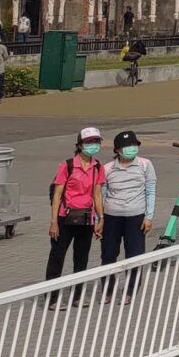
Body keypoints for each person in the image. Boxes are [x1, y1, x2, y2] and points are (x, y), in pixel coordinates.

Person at [46, 128, 106, 308]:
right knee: (57, 257)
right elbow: (57, 194)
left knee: (81, 258)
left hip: (86, 218)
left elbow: (97, 194)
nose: (92, 146)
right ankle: (52, 298)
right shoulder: (68, 165)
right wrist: (54, 222)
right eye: (89, 142)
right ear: (79, 145)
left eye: (96, 142)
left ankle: (77, 296)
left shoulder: (97, 167)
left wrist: (100, 218)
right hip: (65, 218)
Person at [99, 130, 155, 301]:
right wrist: (99, 219)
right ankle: (108, 290)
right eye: (126, 146)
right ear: (117, 150)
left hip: (136, 216)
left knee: (134, 255)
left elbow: (151, 190)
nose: (131, 149)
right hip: (111, 216)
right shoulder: (107, 168)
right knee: (108, 254)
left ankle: (130, 290)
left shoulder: (145, 165)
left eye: (133, 145)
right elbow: (101, 194)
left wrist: (149, 216)